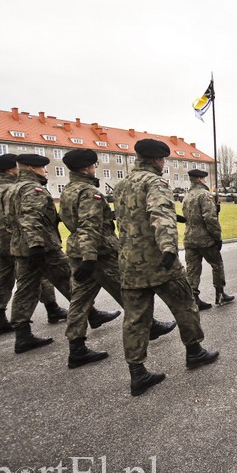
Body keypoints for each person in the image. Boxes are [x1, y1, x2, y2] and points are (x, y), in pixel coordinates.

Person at [114, 139, 219, 396]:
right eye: (164, 161)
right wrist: (169, 248)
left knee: (135, 318)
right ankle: (194, 351)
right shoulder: (155, 183)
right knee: (184, 305)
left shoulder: (121, 185)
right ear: (158, 160)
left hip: (129, 263)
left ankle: (137, 373)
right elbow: (160, 215)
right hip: (159, 260)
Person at [59, 148, 176, 369]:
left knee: (79, 300)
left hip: (77, 251)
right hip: (99, 254)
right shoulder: (88, 192)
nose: (95, 168)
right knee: (131, 295)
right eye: (94, 165)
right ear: (86, 167)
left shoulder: (67, 190)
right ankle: (148, 327)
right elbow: (89, 225)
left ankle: (76, 348)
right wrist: (90, 257)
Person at [5, 154, 119, 354]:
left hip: (21, 248)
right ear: (32, 168)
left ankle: (22, 334)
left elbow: (10, 220)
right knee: (75, 286)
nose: (46, 170)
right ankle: (93, 319)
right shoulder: (34, 189)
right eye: (42, 167)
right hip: (43, 248)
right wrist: (37, 246)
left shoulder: (12, 188)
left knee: (25, 289)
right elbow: (31, 219)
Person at [0, 153, 67, 336]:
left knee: (2, 280)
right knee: (36, 278)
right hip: (20, 241)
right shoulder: (20, 189)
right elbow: (27, 218)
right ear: (10, 169)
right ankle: (52, 308)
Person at [182, 169, 234, 310]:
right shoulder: (205, 195)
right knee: (217, 264)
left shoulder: (187, 195)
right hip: (205, 239)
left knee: (192, 269)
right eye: (204, 178)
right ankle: (220, 293)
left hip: (189, 238)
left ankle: (194, 299)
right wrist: (217, 237)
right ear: (199, 179)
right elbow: (210, 218)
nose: (205, 181)